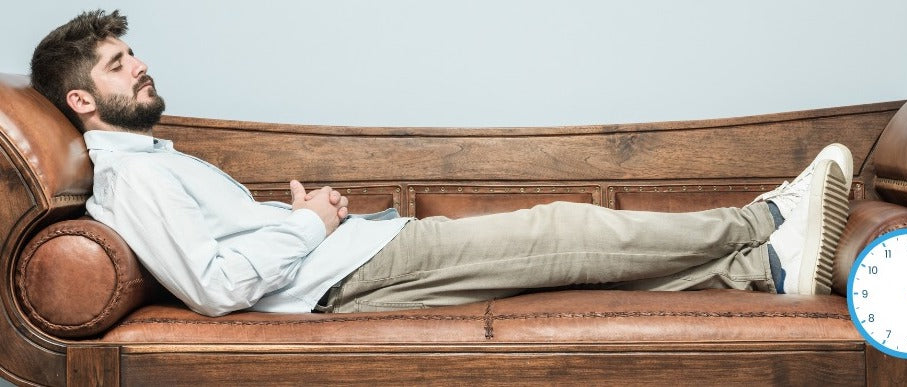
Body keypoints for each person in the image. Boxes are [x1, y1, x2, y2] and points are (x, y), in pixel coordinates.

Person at [30, 10, 852, 317]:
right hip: (344, 275)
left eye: (131, 52)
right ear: (82, 102)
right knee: (562, 228)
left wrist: (294, 217)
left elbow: (220, 249)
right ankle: (764, 220)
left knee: (569, 260)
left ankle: (759, 269)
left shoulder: (149, 157)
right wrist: (310, 223)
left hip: (341, 261)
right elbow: (213, 286)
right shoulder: (131, 176)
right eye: (115, 65)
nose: (138, 66)